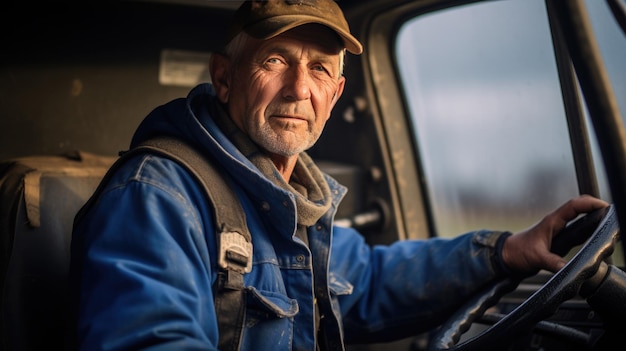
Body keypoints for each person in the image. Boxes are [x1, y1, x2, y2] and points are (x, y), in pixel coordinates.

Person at [68, 0, 609, 350]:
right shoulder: (156, 196)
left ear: (335, 95)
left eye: (320, 68)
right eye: (276, 60)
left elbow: (368, 280)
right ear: (225, 77)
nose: (299, 88)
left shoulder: (291, 200)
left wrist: (504, 251)